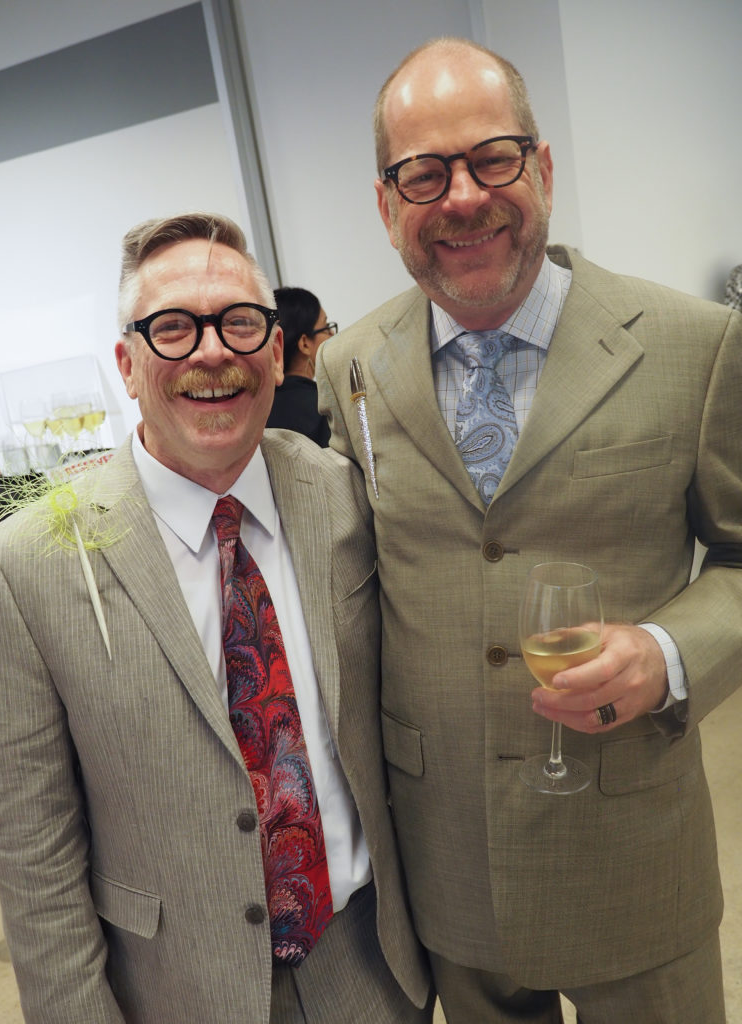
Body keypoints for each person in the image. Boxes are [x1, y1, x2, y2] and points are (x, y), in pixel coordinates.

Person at [317, 37, 742, 1024]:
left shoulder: (694, 344)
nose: (462, 196)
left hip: (631, 855)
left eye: (492, 157)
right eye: (423, 173)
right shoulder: (351, 368)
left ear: (543, 168)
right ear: (387, 206)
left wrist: (670, 650)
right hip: (447, 863)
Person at [0, 212, 431, 1024]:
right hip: (177, 991)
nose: (212, 352)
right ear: (128, 362)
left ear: (272, 347)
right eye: (174, 328)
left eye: (239, 323)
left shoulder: (343, 495)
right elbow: (34, 854)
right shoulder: (26, 565)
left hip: (370, 970)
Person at [266, 286, 335, 446]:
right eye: (326, 328)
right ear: (304, 343)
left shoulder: (257, 409)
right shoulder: (327, 407)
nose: (332, 335)